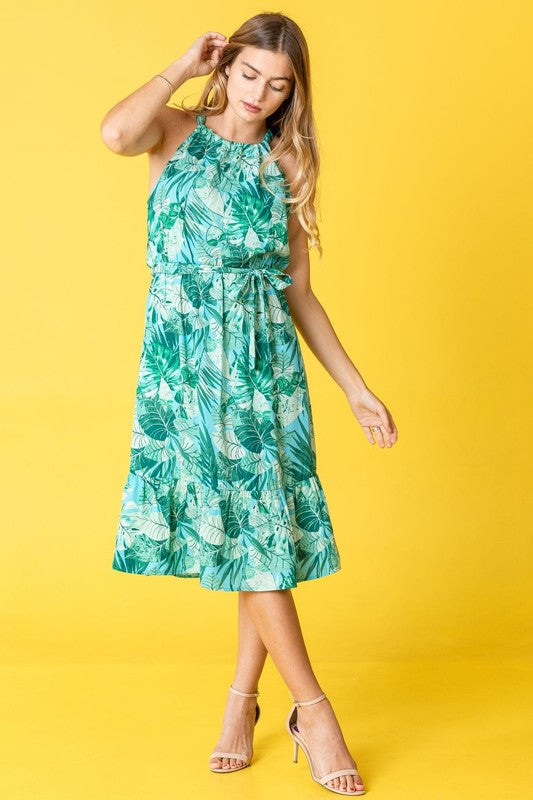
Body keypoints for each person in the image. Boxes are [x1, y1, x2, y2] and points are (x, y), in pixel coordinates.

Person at [101, 12, 398, 796]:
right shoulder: (173, 131)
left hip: (264, 371)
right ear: (223, 68)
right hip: (184, 373)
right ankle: (313, 710)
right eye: (248, 76)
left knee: (258, 537)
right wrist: (178, 64)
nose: (260, 96)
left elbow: (297, 292)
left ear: (292, 91)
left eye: (279, 85)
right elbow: (112, 134)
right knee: (251, 540)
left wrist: (355, 388)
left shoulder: (286, 159)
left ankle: (244, 705)